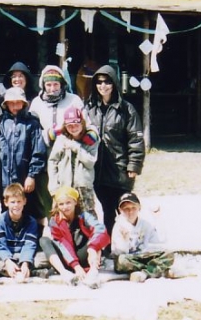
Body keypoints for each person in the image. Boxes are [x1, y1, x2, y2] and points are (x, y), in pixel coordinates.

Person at [84, 65, 145, 247]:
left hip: (120, 169)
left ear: (114, 84)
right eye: (99, 82)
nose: (103, 86)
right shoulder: (90, 108)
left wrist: (134, 165)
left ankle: (134, 244)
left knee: (125, 209)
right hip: (99, 169)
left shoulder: (126, 109)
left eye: (107, 82)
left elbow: (136, 139)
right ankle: (111, 246)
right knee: (107, 210)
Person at [28, 64, 86, 221]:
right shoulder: (36, 103)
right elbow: (33, 131)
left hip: (70, 156)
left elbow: (85, 124)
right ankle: (55, 230)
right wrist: (52, 133)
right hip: (45, 157)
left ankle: (75, 231)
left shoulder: (74, 100)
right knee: (50, 200)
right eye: (48, 84)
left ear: (62, 84)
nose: (52, 88)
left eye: (55, 84)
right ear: (43, 85)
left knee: (72, 199)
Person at [39, 186, 108, 288]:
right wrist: (76, 266)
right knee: (44, 240)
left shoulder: (85, 216)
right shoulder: (54, 221)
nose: (65, 207)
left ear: (75, 202)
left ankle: (93, 271)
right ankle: (64, 273)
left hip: (84, 256)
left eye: (68, 203)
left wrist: (92, 248)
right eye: (61, 204)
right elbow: (62, 244)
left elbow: (101, 230)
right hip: (66, 258)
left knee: (96, 238)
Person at [0, 87, 47, 218]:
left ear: (24, 103)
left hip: (24, 177)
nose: (14, 106)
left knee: (28, 211)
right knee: (7, 211)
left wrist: (31, 175)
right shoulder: (1, 122)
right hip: (5, 178)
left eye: (18, 102)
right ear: (6, 104)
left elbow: (38, 151)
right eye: (11, 103)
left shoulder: (32, 123)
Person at [111, 192, 175, 282]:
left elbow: (161, 240)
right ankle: (156, 270)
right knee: (121, 260)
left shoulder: (145, 224)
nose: (130, 212)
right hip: (129, 259)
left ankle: (144, 273)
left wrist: (157, 218)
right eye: (126, 209)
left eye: (133, 208)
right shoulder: (119, 226)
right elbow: (119, 252)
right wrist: (125, 240)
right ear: (120, 210)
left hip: (142, 256)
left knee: (169, 254)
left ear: (139, 208)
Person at [46, 106, 100, 212]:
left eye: (76, 125)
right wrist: (54, 187)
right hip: (64, 187)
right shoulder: (61, 139)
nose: (73, 128)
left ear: (82, 123)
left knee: (87, 218)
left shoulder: (90, 139)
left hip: (83, 187)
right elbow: (52, 161)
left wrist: (76, 147)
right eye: (69, 126)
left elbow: (90, 162)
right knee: (62, 217)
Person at [0, 183, 49, 281]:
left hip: (24, 254)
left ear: (24, 201)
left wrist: (25, 262)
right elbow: (0, 246)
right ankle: (28, 271)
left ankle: (17, 271)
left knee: (43, 257)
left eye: (19, 201)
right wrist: (8, 262)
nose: (16, 205)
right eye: (12, 202)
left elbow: (29, 245)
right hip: (7, 256)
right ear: (6, 203)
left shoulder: (31, 222)